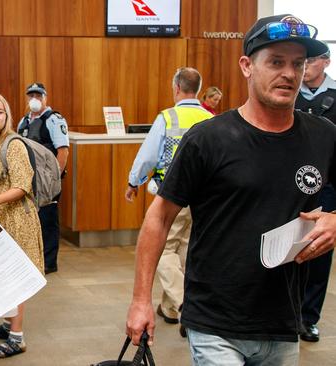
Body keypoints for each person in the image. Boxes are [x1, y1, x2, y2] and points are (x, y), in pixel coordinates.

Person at [126, 14, 336, 365]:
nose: (288, 73)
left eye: (298, 64)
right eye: (276, 62)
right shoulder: (208, 139)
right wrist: (140, 300)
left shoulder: (323, 135)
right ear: (247, 66)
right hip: (215, 324)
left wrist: (334, 219)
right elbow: (159, 218)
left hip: (283, 323)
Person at [125, 67, 212, 337]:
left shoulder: (168, 116)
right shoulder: (211, 117)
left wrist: (134, 181)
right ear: (197, 89)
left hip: (173, 195)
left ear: (176, 87)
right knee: (184, 250)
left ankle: (184, 304)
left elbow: (149, 155)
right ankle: (170, 309)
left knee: (163, 250)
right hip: (204, 197)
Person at [0, 94, 44, 358]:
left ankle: (17, 338)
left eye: (0, 112)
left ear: (7, 117)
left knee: (16, 279)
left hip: (15, 221)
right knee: (1, 276)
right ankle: (7, 325)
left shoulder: (13, 144)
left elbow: (22, 185)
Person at [294, 48, 336, 342]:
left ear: (326, 62)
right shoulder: (289, 93)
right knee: (289, 250)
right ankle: (286, 312)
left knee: (319, 255)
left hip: (328, 186)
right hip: (290, 185)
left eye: (310, 61)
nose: (305, 67)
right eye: (303, 62)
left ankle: (308, 318)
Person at [17, 82, 68, 274]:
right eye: (31, 96)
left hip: (47, 180)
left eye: (38, 96)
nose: (34, 100)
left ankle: (48, 262)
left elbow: (62, 151)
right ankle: (33, 259)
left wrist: (54, 178)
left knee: (47, 220)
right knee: (30, 219)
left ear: (45, 98)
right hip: (28, 179)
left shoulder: (54, 120)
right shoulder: (24, 121)